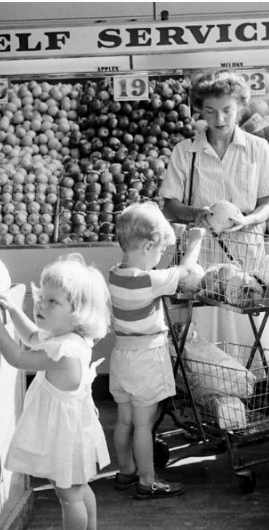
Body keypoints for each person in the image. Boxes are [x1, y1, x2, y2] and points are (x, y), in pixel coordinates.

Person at [0, 254, 112, 530]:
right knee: (80, 488)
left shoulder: (63, 351)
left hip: (64, 436)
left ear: (78, 313)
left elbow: (17, 355)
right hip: (75, 431)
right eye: (40, 297)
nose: (40, 305)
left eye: (52, 301)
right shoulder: (70, 338)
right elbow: (30, 336)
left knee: (69, 495)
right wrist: (14, 311)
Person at [157, 70, 269, 351]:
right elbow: (169, 205)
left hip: (247, 254)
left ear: (240, 106)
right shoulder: (185, 151)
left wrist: (247, 219)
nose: (219, 120)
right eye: (210, 111)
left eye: (227, 110)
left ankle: (245, 387)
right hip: (200, 259)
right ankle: (206, 390)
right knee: (204, 333)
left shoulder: (258, 148)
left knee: (245, 329)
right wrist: (195, 213)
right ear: (199, 110)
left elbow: (268, 205)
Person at [107, 203, 205, 499]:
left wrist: (168, 235)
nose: (160, 257)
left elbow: (157, 267)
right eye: (159, 251)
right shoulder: (148, 281)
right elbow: (186, 270)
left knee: (124, 420)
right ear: (148, 245)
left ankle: (125, 471)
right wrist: (196, 239)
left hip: (121, 358)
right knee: (143, 424)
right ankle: (148, 480)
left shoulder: (115, 274)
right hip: (146, 359)